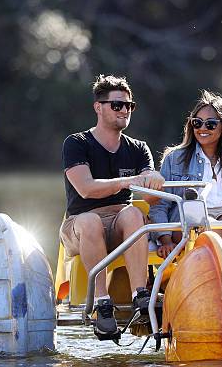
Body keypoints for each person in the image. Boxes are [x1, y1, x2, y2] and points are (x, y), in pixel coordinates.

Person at [60, 74, 164, 340]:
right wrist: (127, 181)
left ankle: (141, 297)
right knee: (90, 222)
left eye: (129, 106)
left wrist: (156, 184)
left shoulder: (139, 148)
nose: (124, 110)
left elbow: (150, 199)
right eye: (117, 105)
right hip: (79, 224)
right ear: (98, 107)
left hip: (120, 222)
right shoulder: (77, 143)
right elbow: (86, 188)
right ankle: (102, 304)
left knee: (133, 212)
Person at [149, 90, 222, 258]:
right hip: (188, 223)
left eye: (210, 124)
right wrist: (165, 240)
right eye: (197, 123)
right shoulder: (174, 158)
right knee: (211, 228)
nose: (202, 128)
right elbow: (160, 205)